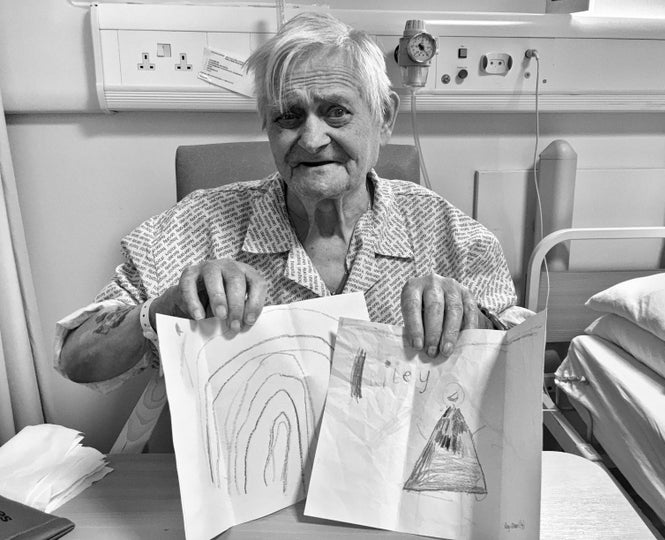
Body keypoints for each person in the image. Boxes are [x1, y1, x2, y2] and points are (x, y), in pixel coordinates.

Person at [55, 11, 525, 391]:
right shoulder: (201, 226)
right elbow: (77, 360)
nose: (313, 138)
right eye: (289, 116)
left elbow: (520, 374)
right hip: (242, 490)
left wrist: (471, 321)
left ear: (384, 118)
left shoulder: (449, 234)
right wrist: (166, 307)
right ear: (268, 128)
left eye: (336, 111)